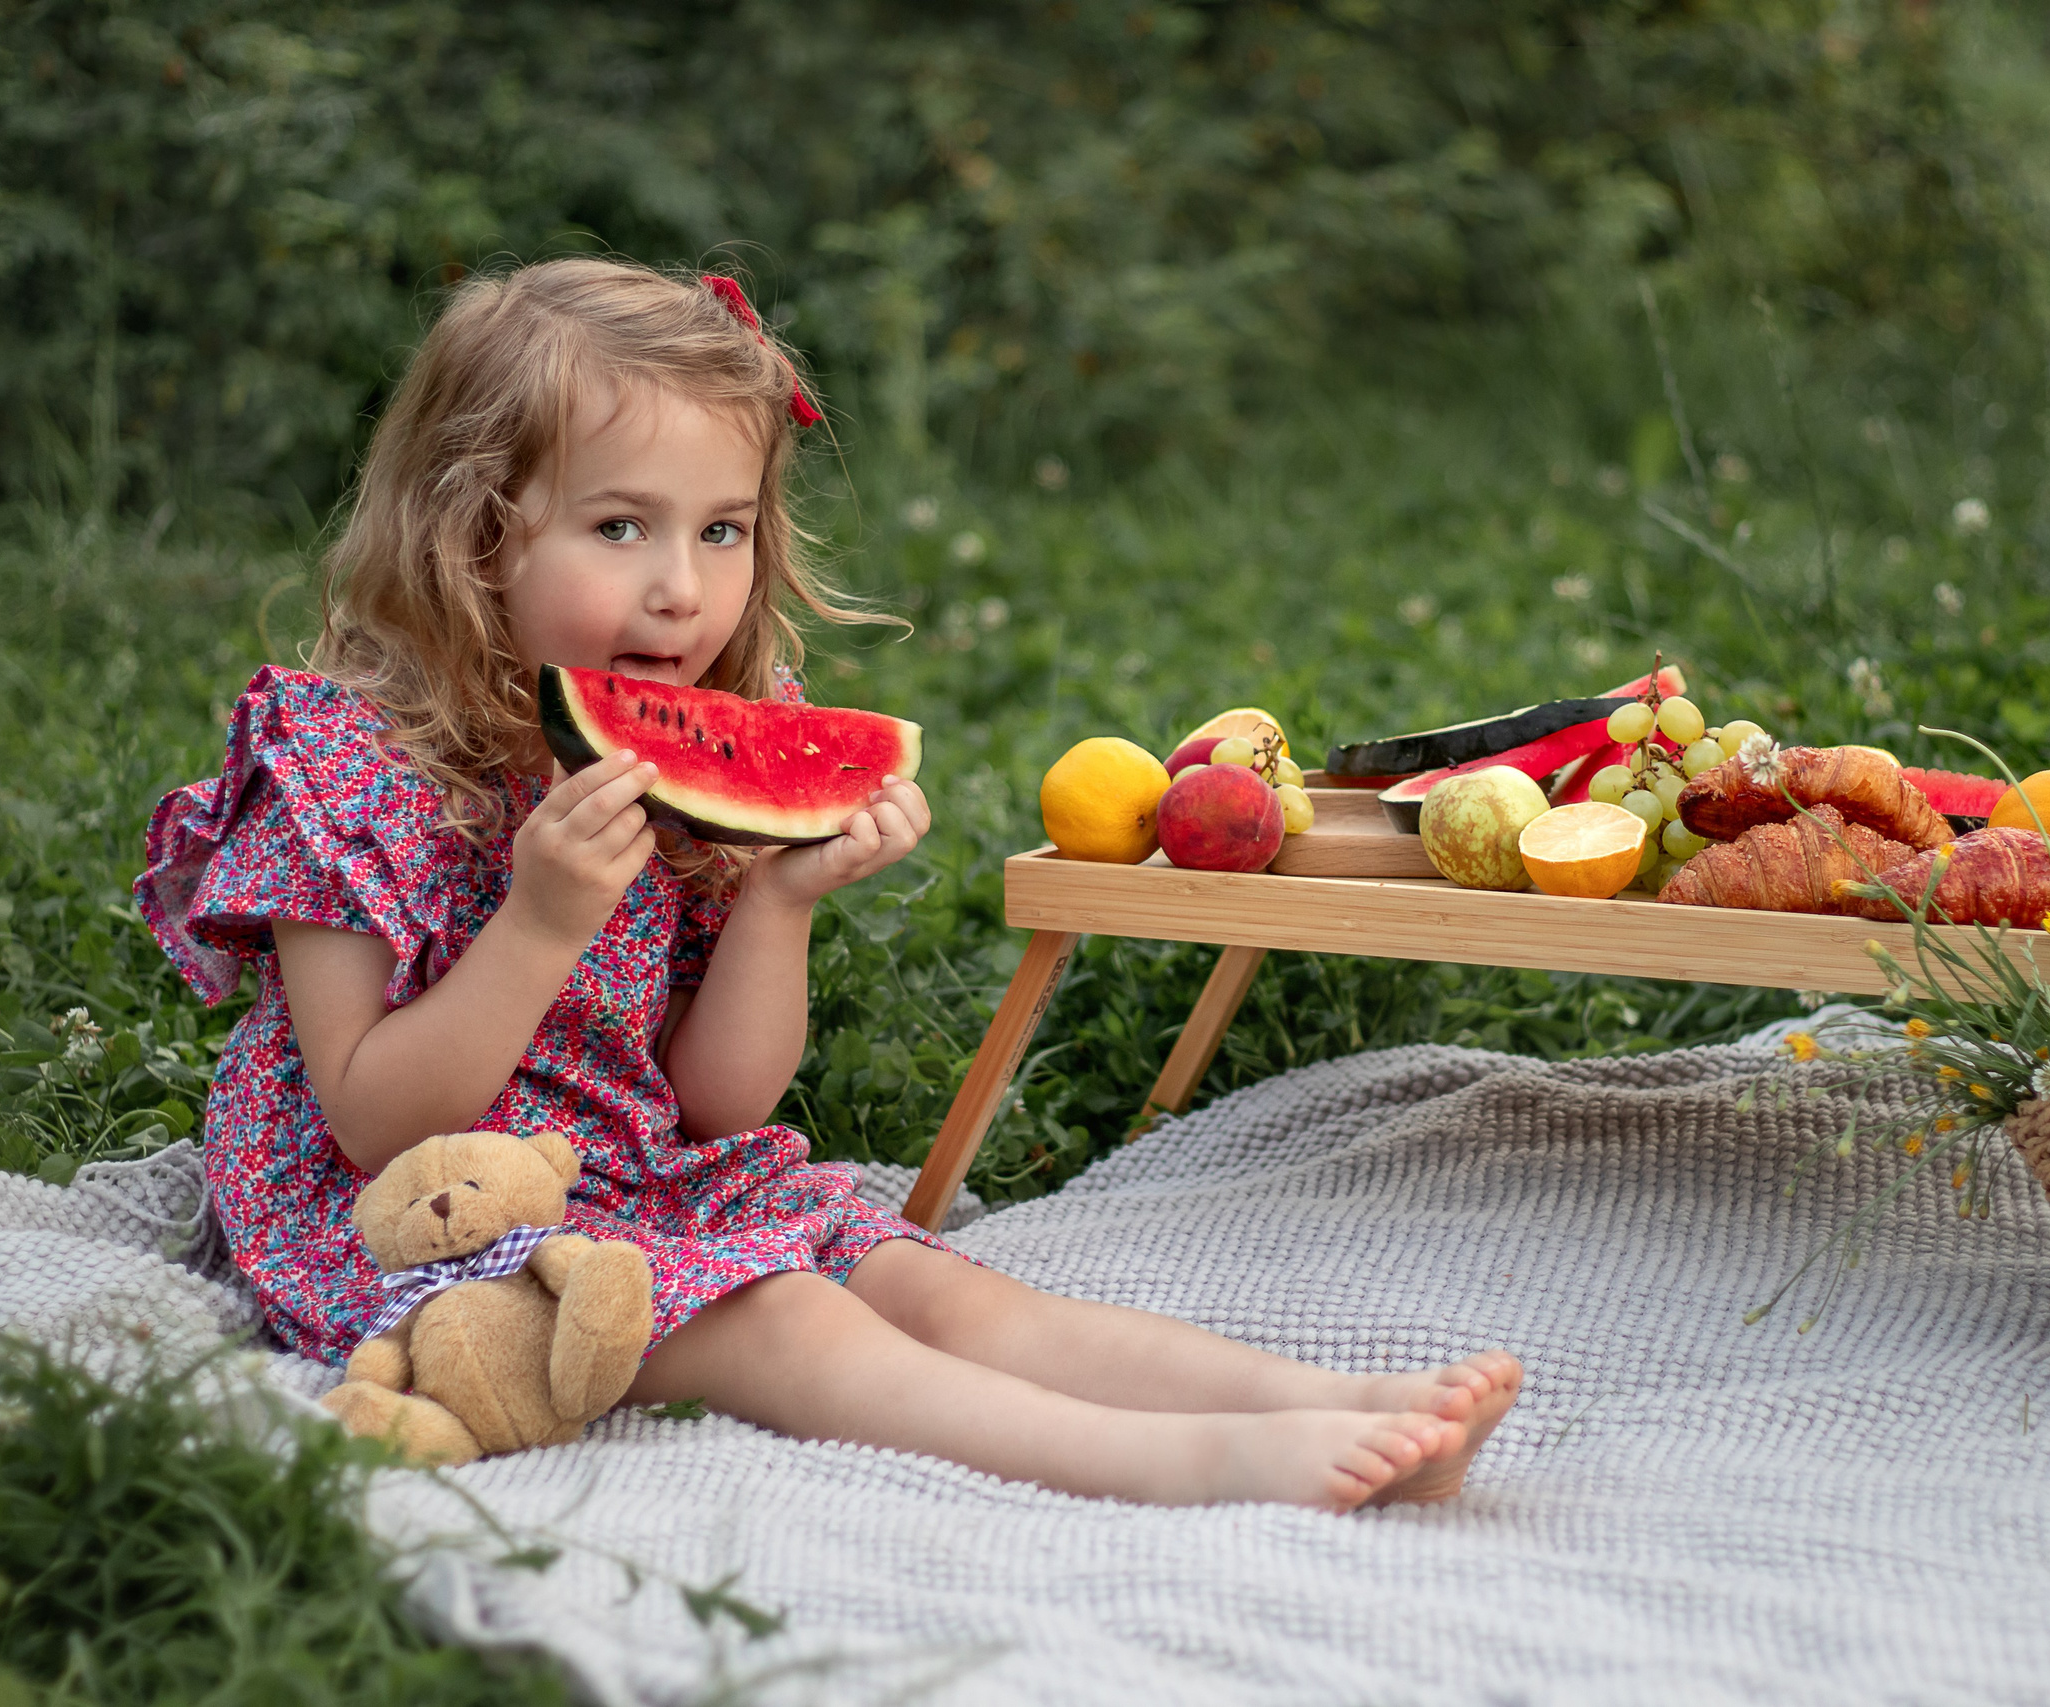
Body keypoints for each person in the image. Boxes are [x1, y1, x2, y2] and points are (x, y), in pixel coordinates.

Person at [138, 256, 1519, 1508]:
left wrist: (781, 902)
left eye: (722, 531)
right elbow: (377, 1121)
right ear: (471, 530)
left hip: (639, 1166)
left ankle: (1314, 1396)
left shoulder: (689, 745)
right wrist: (541, 921)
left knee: (923, 1280)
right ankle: (1194, 1464)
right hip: (412, 1213)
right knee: (794, 1321)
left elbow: (717, 1101)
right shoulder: (342, 762)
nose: (683, 589)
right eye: (621, 528)